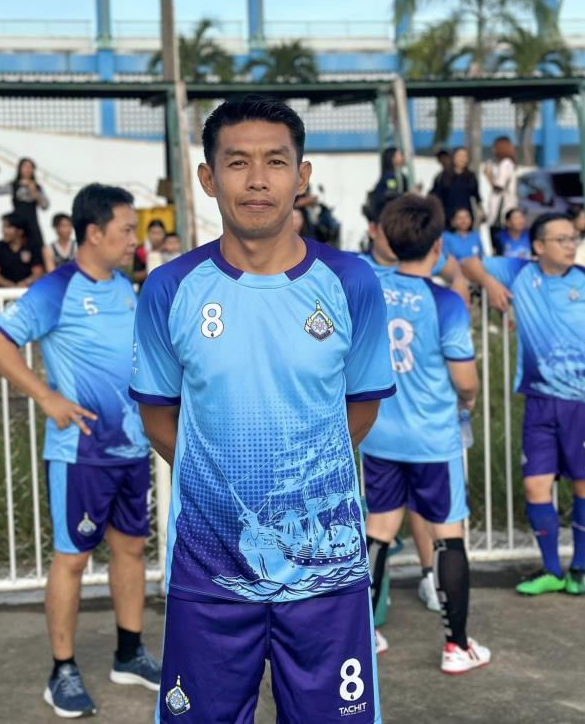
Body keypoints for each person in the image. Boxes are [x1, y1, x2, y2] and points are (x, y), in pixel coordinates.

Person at [130, 95, 394, 723]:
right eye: (237, 162)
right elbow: (159, 418)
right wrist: (219, 483)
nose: (256, 180)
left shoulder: (352, 283)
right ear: (208, 177)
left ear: (301, 176)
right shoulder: (170, 289)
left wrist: (299, 482)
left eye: (275, 162)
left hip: (327, 581)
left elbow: (360, 409)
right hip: (209, 573)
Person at [0, 183, 161, 718]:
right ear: (94, 233)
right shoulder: (56, 288)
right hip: (80, 452)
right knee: (74, 558)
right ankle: (61, 670)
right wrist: (46, 396)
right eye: (126, 230)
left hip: (131, 448)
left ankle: (129, 653)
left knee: (131, 550)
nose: (133, 240)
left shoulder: (125, 286)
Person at [461, 213, 585, 596]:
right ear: (538, 246)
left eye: (573, 238)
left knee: (584, 482)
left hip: (583, 402)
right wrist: (491, 285)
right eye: (561, 239)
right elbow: (467, 262)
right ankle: (551, 569)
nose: (570, 245)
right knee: (535, 485)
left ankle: (578, 568)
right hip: (539, 400)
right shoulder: (520, 272)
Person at [359, 193, 490, 673]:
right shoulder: (445, 302)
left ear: (389, 240)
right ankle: (457, 646)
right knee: (447, 534)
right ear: (437, 246)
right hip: (433, 439)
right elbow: (465, 380)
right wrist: (469, 402)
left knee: (378, 530)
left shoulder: (370, 288)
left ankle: (362, 636)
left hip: (380, 435)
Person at [360, 191, 472, 310]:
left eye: (402, 228)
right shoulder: (358, 270)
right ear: (373, 230)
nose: (397, 234)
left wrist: (459, 281)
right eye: (390, 228)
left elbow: (451, 266)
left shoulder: (419, 260)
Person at [0, 157, 49, 252]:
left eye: (30, 167)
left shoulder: (37, 186)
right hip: (17, 221)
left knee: (37, 246)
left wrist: (36, 195)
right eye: (25, 167)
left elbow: (45, 206)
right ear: (20, 169)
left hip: (32, 220)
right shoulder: (14, 185)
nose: (27, 169)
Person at [0, 214, 44, 288]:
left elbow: (38, 273)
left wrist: (24, 283)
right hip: (3, 291)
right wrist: (11, 286)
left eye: (8, 227)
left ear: (20, 231)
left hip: (29, 290)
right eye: (3, 227)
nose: (4, 231)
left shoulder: (33, 247)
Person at [432, 147, 481, 222]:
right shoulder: (443, 176)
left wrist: (481, 211)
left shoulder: (471, 176)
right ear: (453, 158)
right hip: (448, 216)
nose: (462, 159)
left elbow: (477, 196)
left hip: (466, 216)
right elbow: (436, 195)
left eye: (464, 156)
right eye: (459, 156)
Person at [483, 136, 517, 229]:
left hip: (501, 207)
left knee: (496, 230)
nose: (493, 150)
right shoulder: (509, 163)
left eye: (494, 147)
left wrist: (489, 175)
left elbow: (498, 187)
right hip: (507, 204)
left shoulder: (505, 164)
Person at [131, 219, 166, 287]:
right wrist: (151, 271)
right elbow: (136, 275)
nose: (156, 236)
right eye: (153, 233)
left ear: (164, 234)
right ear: (148, 234)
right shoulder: (140, 251)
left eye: (159, 233)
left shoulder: (168, 250)